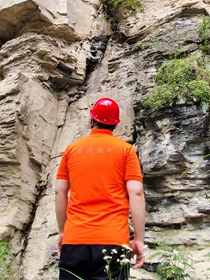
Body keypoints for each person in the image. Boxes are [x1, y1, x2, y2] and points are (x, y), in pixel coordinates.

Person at [55, 97, 146, 280]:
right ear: (115, 125)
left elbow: (59, 191)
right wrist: (138, 239)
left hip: (75, 240)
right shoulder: (126, 151)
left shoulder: (71, 150)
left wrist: (63, 232)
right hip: (113, 240)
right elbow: (136, 192)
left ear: (92, 120)